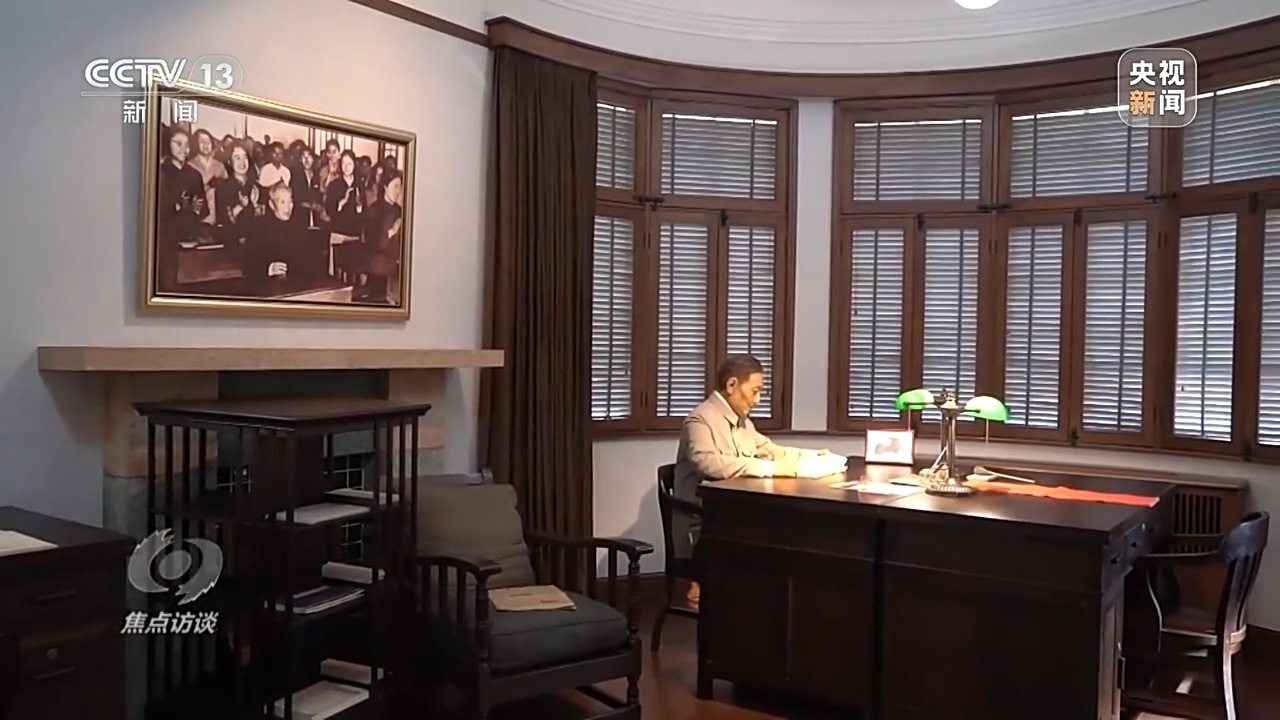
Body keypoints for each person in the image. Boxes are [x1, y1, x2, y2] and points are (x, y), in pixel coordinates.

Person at [671, 354, 844, 604]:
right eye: (755, 391)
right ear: (732, 385)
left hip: (731, 514)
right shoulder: (700, 419)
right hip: (705, 523)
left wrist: (812, 456)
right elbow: (708, 463)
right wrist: (770, 468)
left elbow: (769, 449)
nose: (758, 399)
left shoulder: (742, 422)